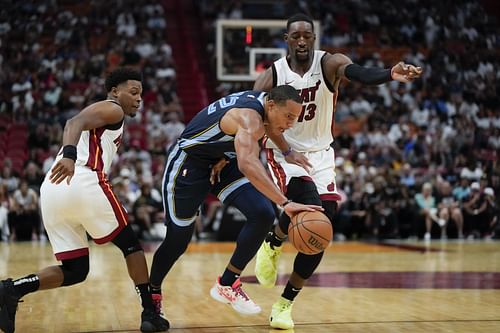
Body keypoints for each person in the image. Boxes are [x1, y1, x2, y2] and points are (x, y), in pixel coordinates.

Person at [253, 13, 423, 329]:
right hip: (284, 153)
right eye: (296, 36)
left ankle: (283, 302)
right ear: (286, 39)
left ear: (313, 38)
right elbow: (254, 115)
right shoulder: (271, 76)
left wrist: (390, 73)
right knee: (308, 204)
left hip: (321, 154)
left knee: (322, 226)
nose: (302, 40)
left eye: (307, 35)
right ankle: (273, 242)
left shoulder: (329, 63)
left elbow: (357, 72)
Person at [0, 67, 169, 333]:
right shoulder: (113, 109)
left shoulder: (111, 115)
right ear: (115, 91)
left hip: (53, 190)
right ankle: (150, 312)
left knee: (75, 270)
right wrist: (68, 154)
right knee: (131, 246)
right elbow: (73, 123)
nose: (139, 99)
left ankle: (10, 289)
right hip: (81, 178)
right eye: (133, 92)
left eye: (141, 94)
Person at [149, 86, 323, 320]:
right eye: (289, 116)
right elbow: (248, 164)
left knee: (262, 213)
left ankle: (227, 283)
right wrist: (285, 202)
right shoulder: (249, 119)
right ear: (271, 106)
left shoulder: (267, 110)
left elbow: (273, 127)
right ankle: (152, 296)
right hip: (190, 163)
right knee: (177, 241)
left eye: (295, 118)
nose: (291, 123)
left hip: (223, 160)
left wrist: (287, 151)